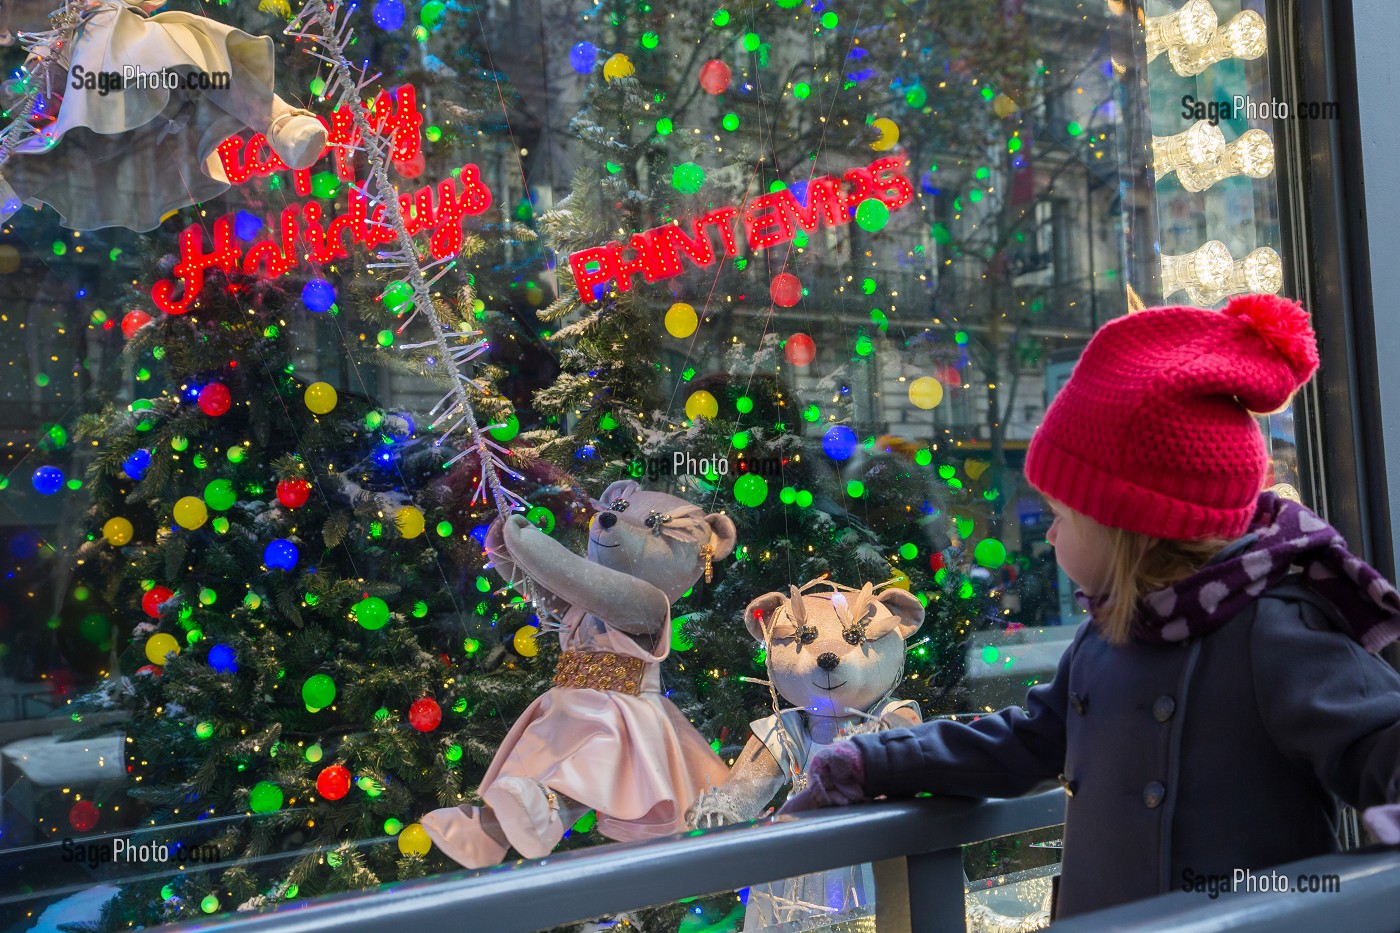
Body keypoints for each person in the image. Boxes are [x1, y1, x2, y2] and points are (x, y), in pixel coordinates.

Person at [779, 293, 1400, 919]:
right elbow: (1023, 742)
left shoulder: (1274, 633)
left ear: (1130, 527)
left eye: (1061, 515)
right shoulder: (1108, 636)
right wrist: (874, 761)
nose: (1050, 535)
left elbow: (1381, 739)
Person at [0, 0, 327, 231]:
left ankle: (279, 122)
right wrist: (26, 90)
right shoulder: (52, 45)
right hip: (108, 95)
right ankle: (12, 185)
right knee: (86, 135)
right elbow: (39, 90)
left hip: (138, 53)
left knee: (198, 53)